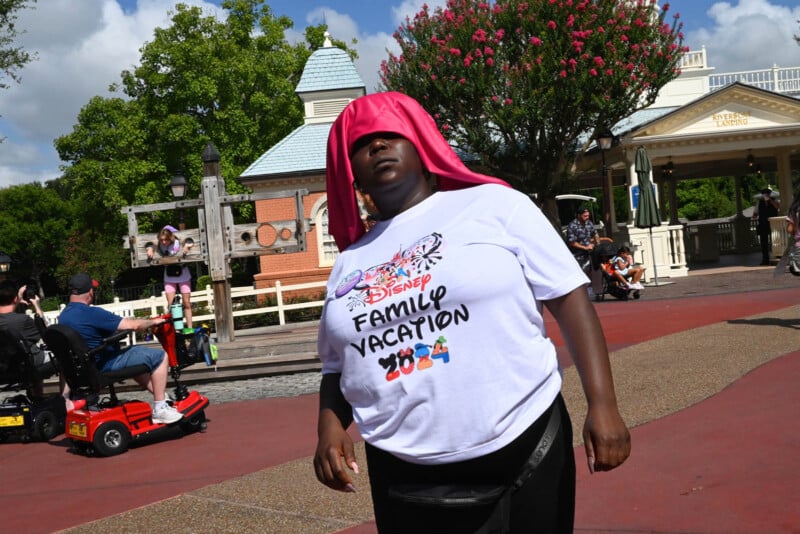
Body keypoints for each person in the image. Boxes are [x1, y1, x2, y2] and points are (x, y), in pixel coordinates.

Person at [313, 92, 630, 533]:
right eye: (363, 144)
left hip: (524, 445)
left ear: (422, 143)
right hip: (402, 472)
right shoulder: (350, 262)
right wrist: (329, 428)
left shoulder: (495, 207)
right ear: (352, 172)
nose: (378, 147)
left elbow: (570, 299)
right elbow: (337, 364)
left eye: (391, 134)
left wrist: (604, 404)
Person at [57, 273, 183, 424]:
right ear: (90, 292)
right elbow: (134, 325)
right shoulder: (92, 313)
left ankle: (163, 396)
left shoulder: (63, 317)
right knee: (160, 357)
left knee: (136, 360)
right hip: (103, 365)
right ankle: (160, 409)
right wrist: (154, 321)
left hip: (84, 369)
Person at [0, 280, 50, 397]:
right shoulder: (23, 320)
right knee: (61, 355)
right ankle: (65, 399)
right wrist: (36, 305)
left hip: (4, 368)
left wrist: (16, 301)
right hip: (25, 365)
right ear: (15, 299)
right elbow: (45, 334)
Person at [147, 225, 193, 329]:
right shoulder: (160, 244)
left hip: (183, 273)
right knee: (171, 304)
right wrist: (150, 249)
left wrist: (187, 246)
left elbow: (190, 241)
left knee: (186, 303)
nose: (163, 242)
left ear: (170, 238)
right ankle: (175, 328)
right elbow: (150, 244)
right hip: (169, 275)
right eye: (162, 240)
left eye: (166, 240)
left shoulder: (178, 242)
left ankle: (190, 327)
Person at [566, 206, 600, 274]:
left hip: (589, 255)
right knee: (581, 276)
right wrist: (585, 247)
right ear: (579, 215)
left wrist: (597, 243)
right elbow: (572, 242)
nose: (587, 217)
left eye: (588, 215)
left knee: (590, 274)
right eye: (585, 216)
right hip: (577, 257)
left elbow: (595, 233)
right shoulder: (572, 225)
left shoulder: (589, 223)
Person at [753, 188, 780, 265]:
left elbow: (778, 207)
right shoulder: (759, 202)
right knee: (764, 243)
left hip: (773, 225)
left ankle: (776, 257)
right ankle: (765, 259)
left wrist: (770, 201)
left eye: (767, 194)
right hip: (762, 224)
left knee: (775, 241)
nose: (766, 196)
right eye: (764, 194)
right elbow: (755, 213)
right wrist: (755, 215)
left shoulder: (774, 200)